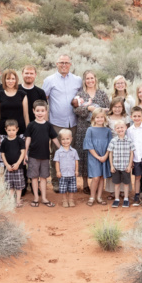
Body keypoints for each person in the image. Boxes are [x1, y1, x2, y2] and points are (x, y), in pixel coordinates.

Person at [43, 55, 82, 187]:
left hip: (74, 122)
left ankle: (70, 180)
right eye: (61, 63)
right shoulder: (49, 80)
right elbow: (44, 100)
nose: (64, 65)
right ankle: (56, 181)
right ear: (56, 64)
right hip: (56, 123)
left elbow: (82, 98)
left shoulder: (78, 80)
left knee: (72, 152)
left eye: (66, 63)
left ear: (70, 64)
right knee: (57, 152)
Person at [73, 70, 110, 188]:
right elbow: (75, 110)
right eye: (87, 78)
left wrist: (100, 111)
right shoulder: (80, 94)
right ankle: (85, 184)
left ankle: (98, 182)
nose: (90, 81)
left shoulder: (102, 94)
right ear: (84, 80)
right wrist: (88, 109)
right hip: (84, 126)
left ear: (95, 79)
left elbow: (108, 109)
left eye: (92, 78)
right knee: (85, 152)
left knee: (99, 152)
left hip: (99, 128)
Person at [25, 100, 59, 208]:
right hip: (33, 156)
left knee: (43, 177)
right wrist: (25, 153)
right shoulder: (31, 125)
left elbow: (54, 138)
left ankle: (44, 198)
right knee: (34, 177)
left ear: (46, 112)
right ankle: (36, 197)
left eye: (42, 111)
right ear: (33, 111)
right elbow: (28, 139)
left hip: (45, 156)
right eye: (37, 111)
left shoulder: (48, 125)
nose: (40, 113)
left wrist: (62, 149)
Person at [83, 110, 112, 206]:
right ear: (93, 119)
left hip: (105, 156)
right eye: (97, 117)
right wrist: (98, 157)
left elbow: (110, 145)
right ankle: (92, 197)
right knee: (95, 178)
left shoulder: (107, 130)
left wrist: (105, 156)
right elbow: (89, 145)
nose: (100, 119)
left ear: (105, 118)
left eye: (102, 117)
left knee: (101, 177)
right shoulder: (90, 130)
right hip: (94, 157)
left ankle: (99, 197)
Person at [106, 119, 135, 208]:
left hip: (126, 166)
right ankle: (117, 199)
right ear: (115, 130)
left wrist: (130, 165)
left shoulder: (129, 140)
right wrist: (111, 165)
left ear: (126, 128)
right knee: (117, 184)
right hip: (116, 166)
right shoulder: (113, 141)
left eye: (122, 127)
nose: (120, 129)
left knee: (126, 184)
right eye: (117, 128)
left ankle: (126, 199)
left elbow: (132, 153)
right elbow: (110, 153)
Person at [0, 120, 26, 207]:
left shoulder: (20, 141)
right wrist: (6, 165)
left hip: (18, 167)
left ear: (17, 129)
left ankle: (18, 200)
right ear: (6, 130)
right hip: (8, 167)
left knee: (18, 184)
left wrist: (18, 163)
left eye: (13, 130)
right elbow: (2, 154)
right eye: (9, 130)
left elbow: (23, 153)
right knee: (10, 185)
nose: (11, 132)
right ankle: (11, 200)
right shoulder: (4, 141)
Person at [0, 70, 22, 143]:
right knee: (2, 154)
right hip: (3, 131)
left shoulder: (22, 94)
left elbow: (25, 114)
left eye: (13, 79)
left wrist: (28, 133)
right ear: (4, 80)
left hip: (20, 131)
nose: (10, 81)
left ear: (16, 80)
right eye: (8, 79)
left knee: (20, 154)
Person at [54, 129, 80, 207]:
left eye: (67, 139)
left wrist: (76, 171)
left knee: (71, 189)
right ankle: (64, 200)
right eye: (63, 139)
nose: (65, 141)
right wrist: (58, 171)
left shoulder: (74, 151)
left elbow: (76, 161)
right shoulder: (58, 152)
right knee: (63, 189)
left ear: (71, 139)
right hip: (63, 174)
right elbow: (57, 162)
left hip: (72, 173)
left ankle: (71, 200)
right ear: (60, 140)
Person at [17, 65, 47, 134]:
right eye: (26, 73)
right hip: (16, 130)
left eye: (31, 73)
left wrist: (45, 129)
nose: (29, 75)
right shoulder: (15, 90)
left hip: (36, 129)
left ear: (35, 75)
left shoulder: (40, 92)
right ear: (22, 74)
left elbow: (45, 112)